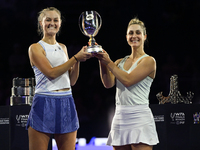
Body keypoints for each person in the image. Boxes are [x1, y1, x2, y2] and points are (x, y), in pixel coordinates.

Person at [26, 7, 92, 150]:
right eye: (48, 19)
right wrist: (75, 58)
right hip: (44, 102)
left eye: (55, 20)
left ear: (60, 23)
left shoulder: (63, 47)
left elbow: (72, 81)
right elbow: (51, 73)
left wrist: (79, 61)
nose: (52, 23)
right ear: (40, 23)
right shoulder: (35, 48)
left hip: (66, 101)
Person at [94, 17, 159, 150]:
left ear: (145, 36)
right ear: (126, 37)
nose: (134, 36)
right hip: (120, 117)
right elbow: (108, 83)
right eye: (131, 33)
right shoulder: (119, 62)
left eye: (137, 33)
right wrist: (102, 61)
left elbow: (128, 80)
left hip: (139, 117)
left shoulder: (149, 61)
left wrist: (109, 62)